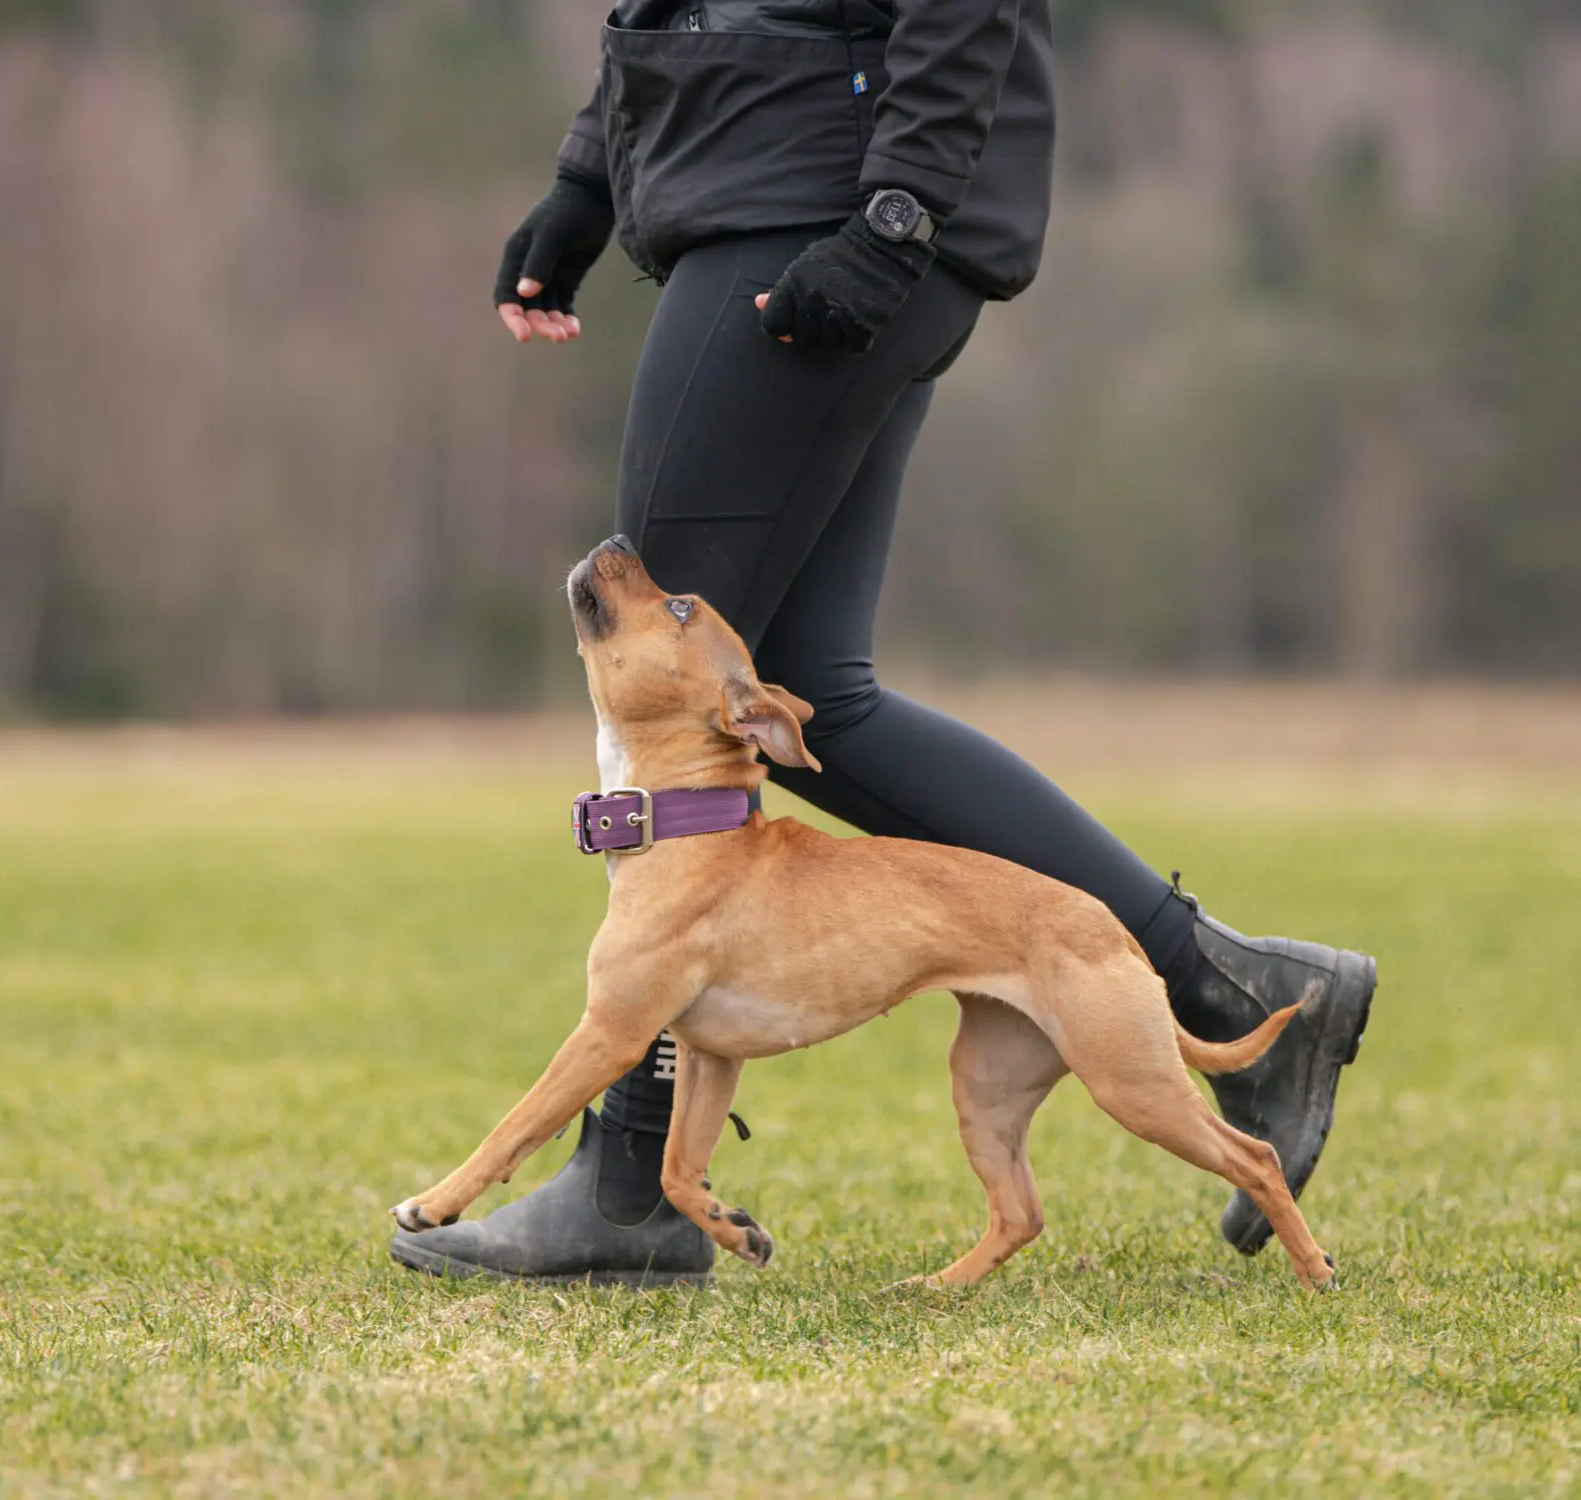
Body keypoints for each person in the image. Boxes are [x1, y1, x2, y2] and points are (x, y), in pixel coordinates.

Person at [389, 0, 1376, 1287]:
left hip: (828, 188)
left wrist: (898, 209)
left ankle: (632, 1192)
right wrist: (596, 163)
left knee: (667, 631)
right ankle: (1219, 982)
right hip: (763, 165)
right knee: (815, 702)